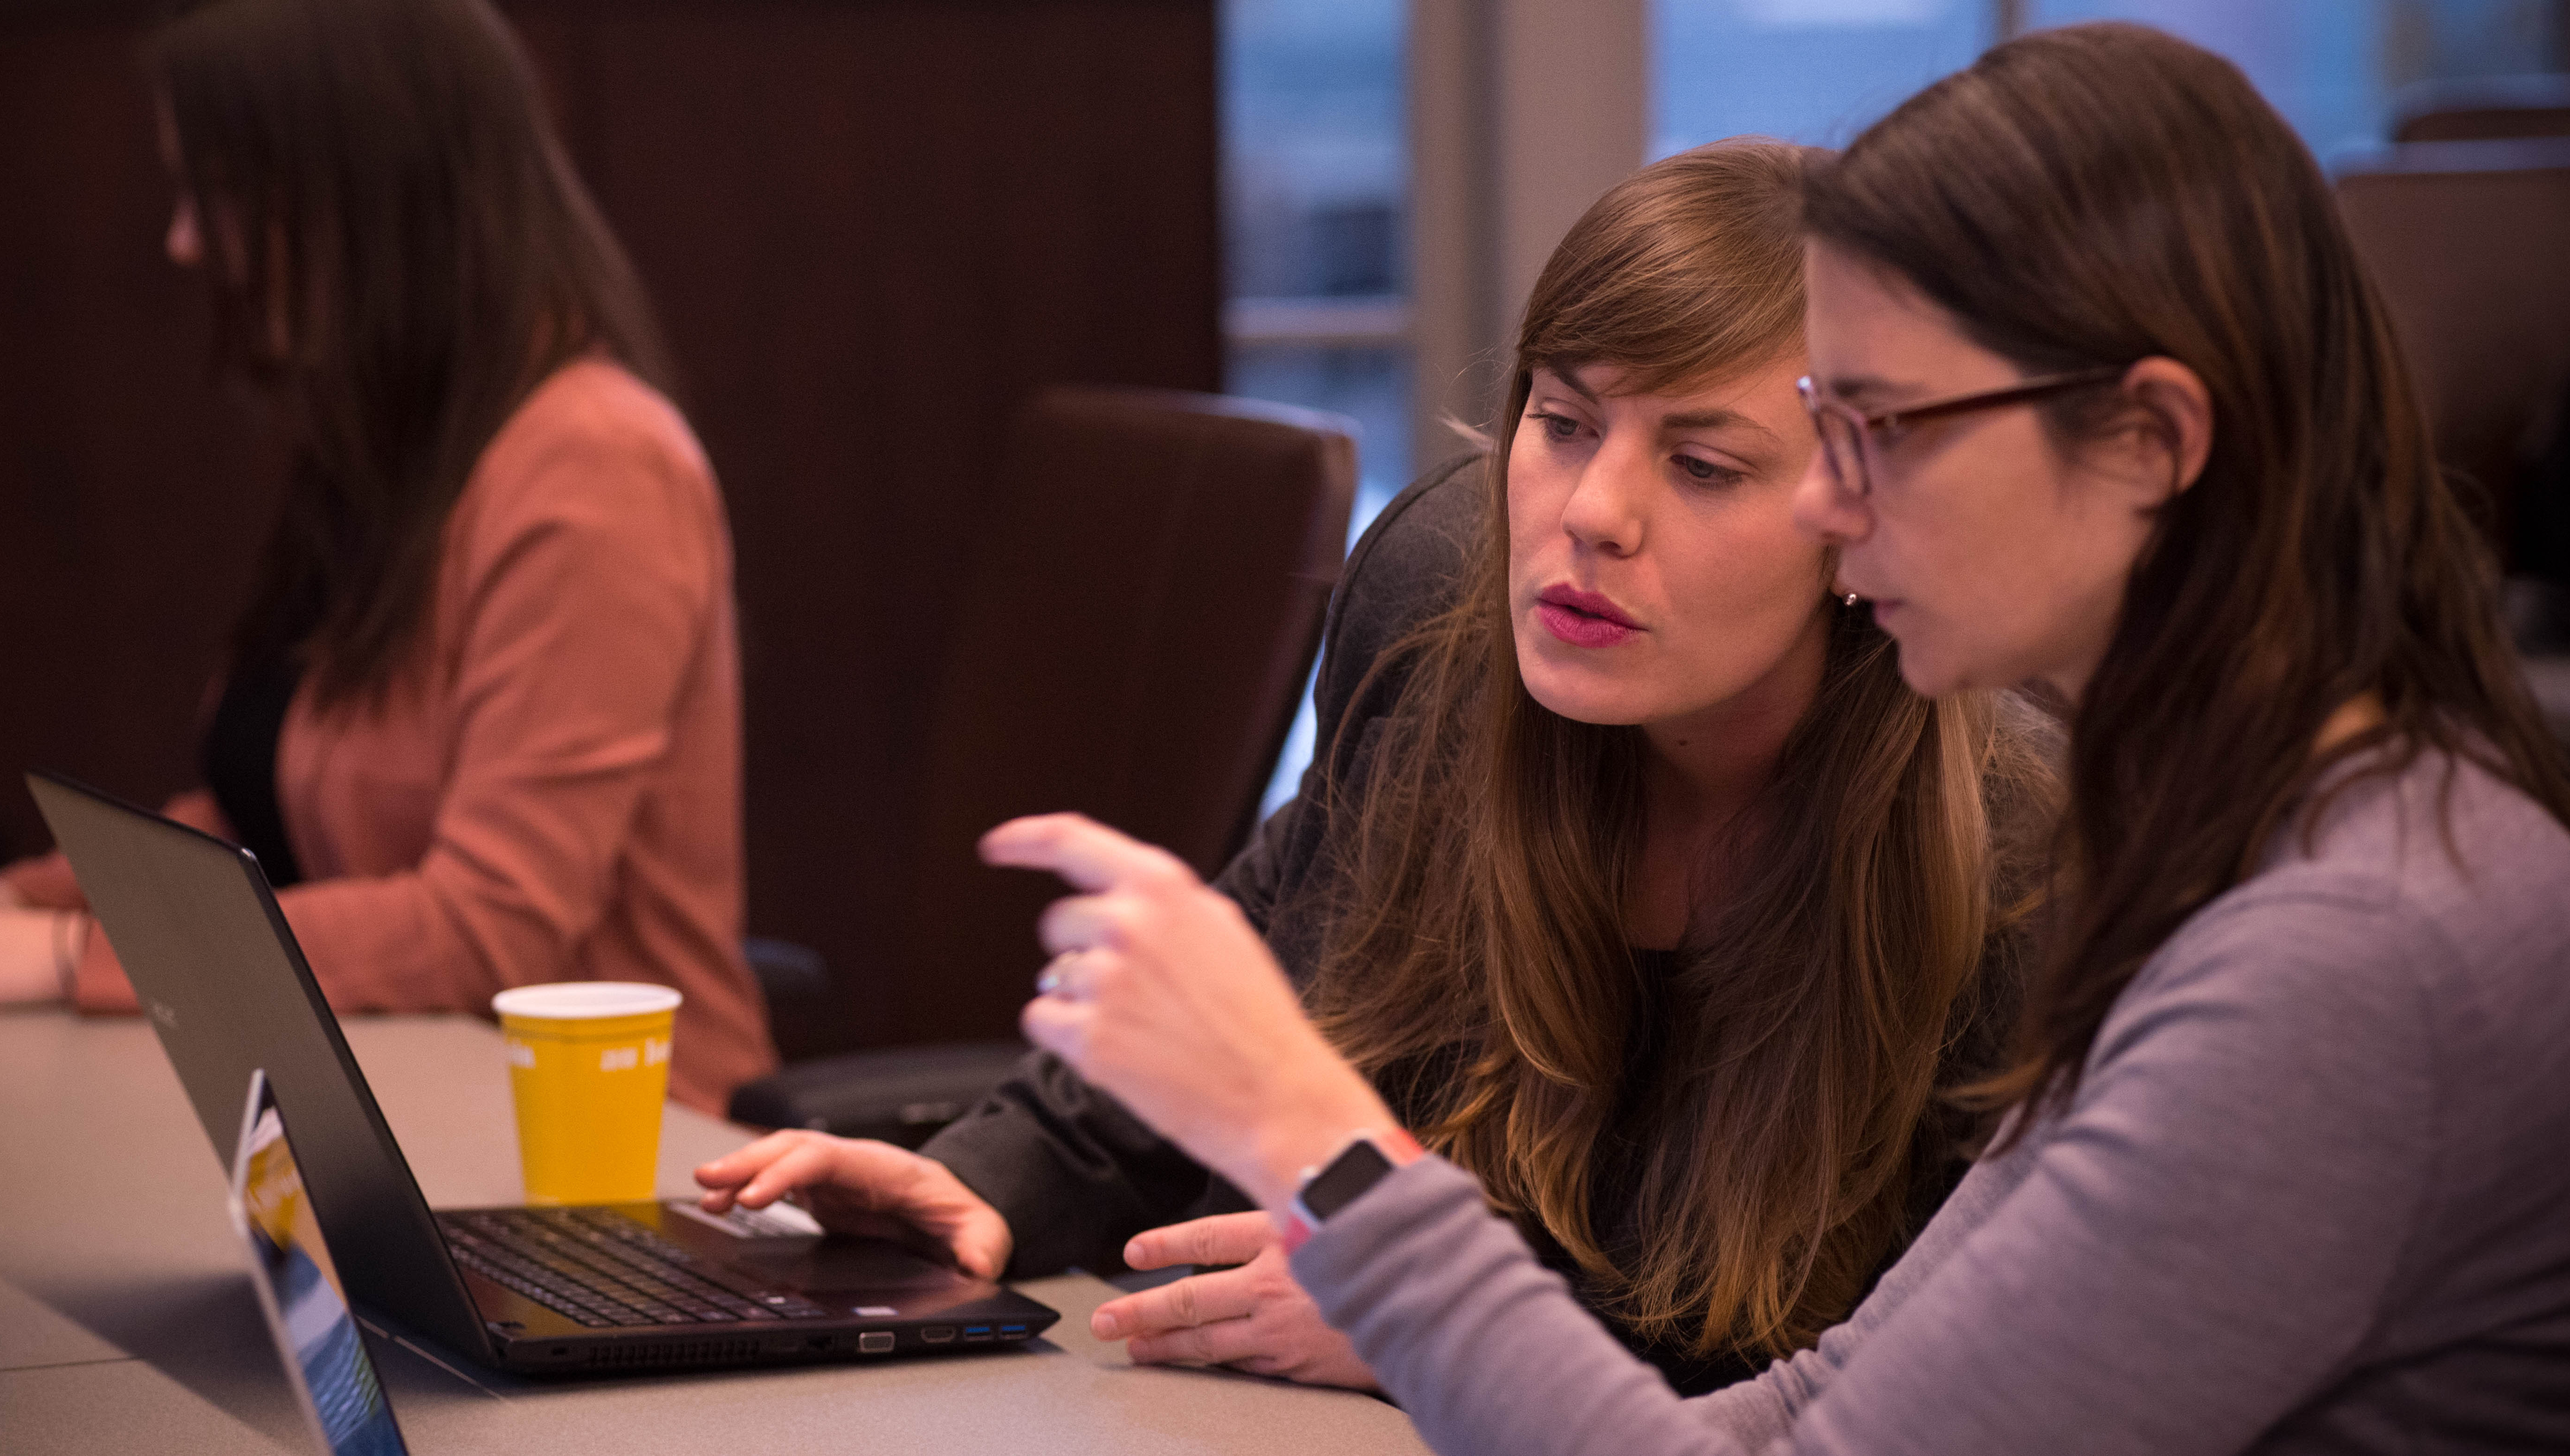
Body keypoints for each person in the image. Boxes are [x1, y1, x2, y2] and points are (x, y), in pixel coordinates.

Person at [978, 22, 2570, 1455]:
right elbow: (1819, 1410)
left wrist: (1312, 1139)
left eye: (1883, 427)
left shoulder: (2343, 953)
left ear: (2149, 443)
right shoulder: (2247, 845)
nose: (1825, 496)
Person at [697, 140, 2059, 1393]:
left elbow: (1934, 1392)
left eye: (1702, 464)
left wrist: (1429, 1319)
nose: (1590, 514)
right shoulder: (1439, 612)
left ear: (1859, 521)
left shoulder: (2018, 856)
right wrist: (978, 1185)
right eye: (1565, 420)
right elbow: (1248, 991)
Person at [0, 0, 775, 1114]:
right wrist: (32, 907)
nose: (183, 239)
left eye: (215, 189)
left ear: (358, 192)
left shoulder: (597, 465)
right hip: (400, 1094)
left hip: (608, 1154)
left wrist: (69, 957)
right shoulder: (395, 453)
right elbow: (261, 826)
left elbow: (489, 928)